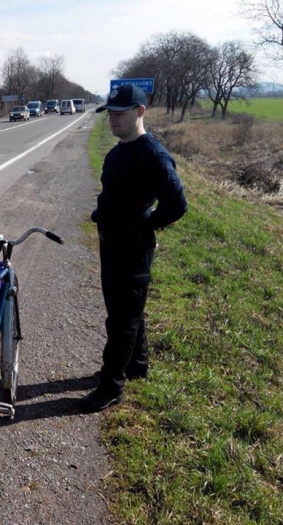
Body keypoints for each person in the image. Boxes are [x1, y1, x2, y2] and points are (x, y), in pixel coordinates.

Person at [80, 84, 188, 414]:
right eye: (110, 113)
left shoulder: (152, 154)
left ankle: (111, 385)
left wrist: (145, 226)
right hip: (111, 245)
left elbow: (177, 204)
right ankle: (137, 365)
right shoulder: (119, 150)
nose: (112, 120)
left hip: (132, 250)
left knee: (122, 320)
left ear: (139, 112)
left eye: (119, 114)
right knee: (129, 312)